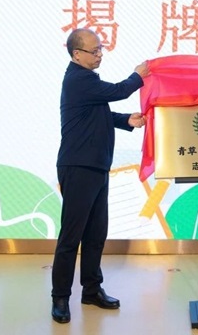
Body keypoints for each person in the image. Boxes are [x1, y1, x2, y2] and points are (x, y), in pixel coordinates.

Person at [51, 28, 149, 324]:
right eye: (94, 51)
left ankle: (91, 290)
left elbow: (97, 114)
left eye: (100, 49)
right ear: (76, 54)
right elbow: (118, 91)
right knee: (71, 236)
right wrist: (138, 76)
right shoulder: (78, 79)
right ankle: (60, 297)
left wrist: (126, 120)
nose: (99, 55)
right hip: (79, 167)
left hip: (95, 166)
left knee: (95, 234)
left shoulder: (86, 82)